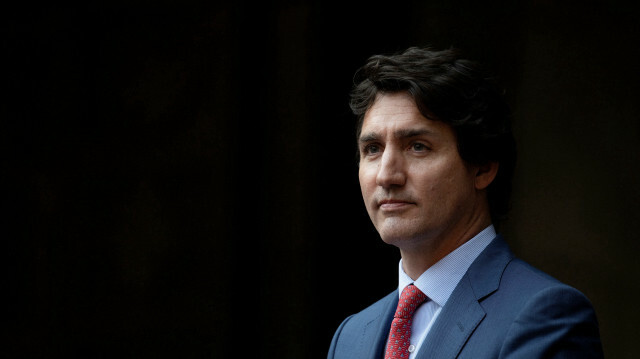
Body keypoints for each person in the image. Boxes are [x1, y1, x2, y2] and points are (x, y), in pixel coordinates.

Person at [327, 46, 603, 359]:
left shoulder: (546, 317)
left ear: (483, 166)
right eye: (373, 149)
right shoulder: (350, 336)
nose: (387, 175)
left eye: (418, 146)